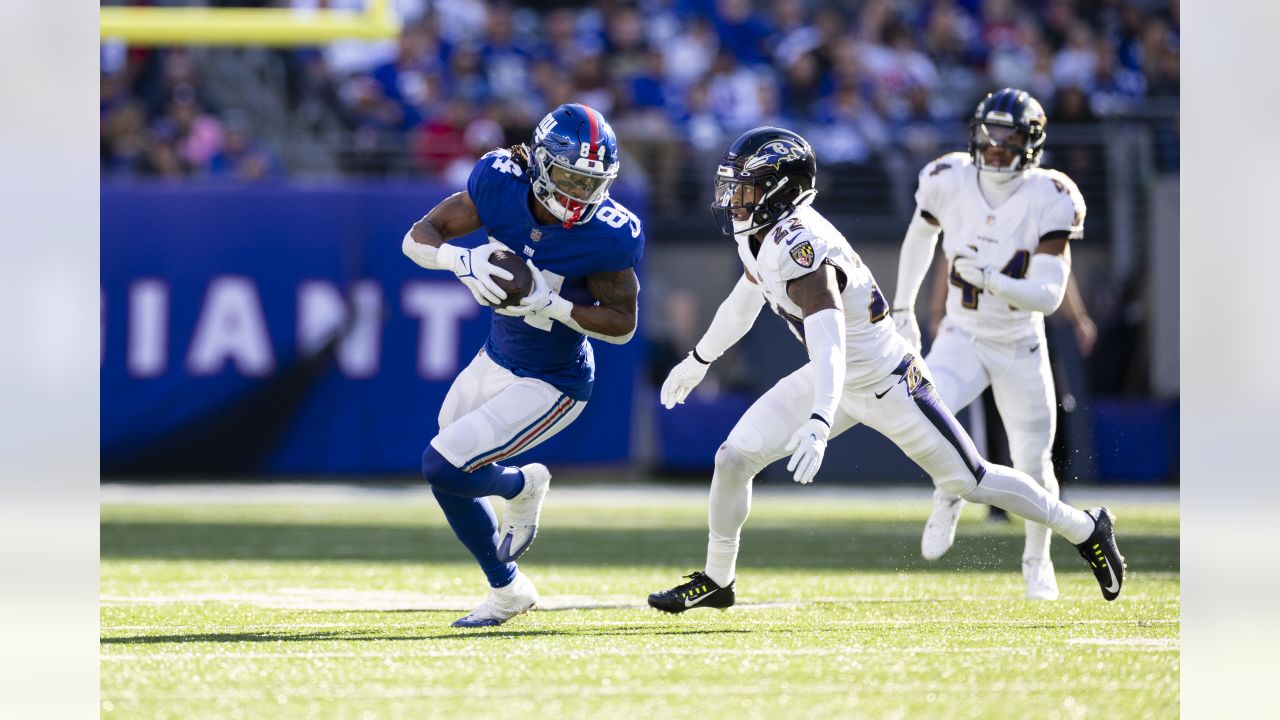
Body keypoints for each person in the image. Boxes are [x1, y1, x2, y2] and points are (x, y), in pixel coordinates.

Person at [647, 126, 1123, 613]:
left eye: (745, 189)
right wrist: (699, 359)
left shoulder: (802, 245)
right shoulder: (760, 234)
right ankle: (718, 579)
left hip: (887, 380)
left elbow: (830, 344)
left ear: (781, 190)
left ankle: (1085, 527)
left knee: (971, 480)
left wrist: (817, 419)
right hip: (835, 376)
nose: (734, 200)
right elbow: (743, 304)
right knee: (732, 459)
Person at [402, 103, 644, 627]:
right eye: (569, 177)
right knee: (449, 474)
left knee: (441, 462)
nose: (580, 194)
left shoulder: (608, 233)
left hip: (553, 382)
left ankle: (523, 486)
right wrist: (460, 260)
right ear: (538, 163)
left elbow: (623, 324)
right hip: (497, 356)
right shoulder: (498, 183)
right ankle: (507, 590)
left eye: (591, 182)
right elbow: (419, 236)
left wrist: (549, 304)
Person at [891, 88, 1086, 600]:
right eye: (988, 134)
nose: (996, 146)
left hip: (1020, 342)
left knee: (1034, 461)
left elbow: (1047, 296)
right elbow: (919, 238)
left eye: (1009, 137)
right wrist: (903, 307)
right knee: (927, 419)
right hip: (962, 334)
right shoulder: (947, 179)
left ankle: (1037, 558)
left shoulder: (1051, 195)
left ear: (1031, 143)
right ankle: (950, 491)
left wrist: (993, 280)